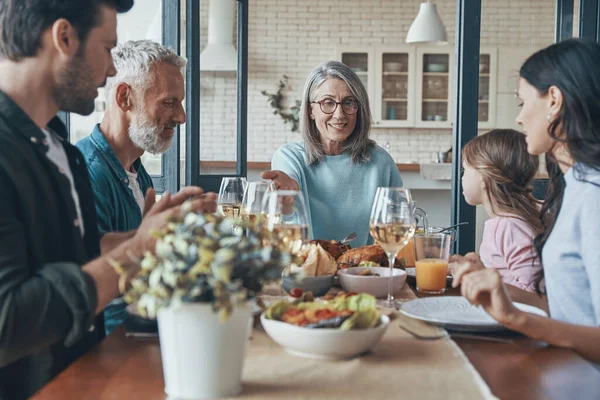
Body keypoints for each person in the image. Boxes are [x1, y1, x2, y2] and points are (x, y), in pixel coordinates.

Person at [0, 1, 215, 399]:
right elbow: (9, 319)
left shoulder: (58, 151)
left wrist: (154, 235)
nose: (113, 67)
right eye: (106, 48)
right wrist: (138, 249)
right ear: (64, 37)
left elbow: (79, 256)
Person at [453, 38, 600, 364]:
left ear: (553, 100)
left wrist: (519, 319)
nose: (519, 119)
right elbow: (571, 312)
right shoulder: (573, 186)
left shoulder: (593, 196)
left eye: (522, 102)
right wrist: (500, 292)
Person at [76, 40, 186, 334]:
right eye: (169, 102)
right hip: (117, 347)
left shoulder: (139, 172)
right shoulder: (87, 173)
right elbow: (99, 296)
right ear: (125, 98)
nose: (181, 116)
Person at [262, 61, 403, 247]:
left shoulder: (381, 162)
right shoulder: (289, 158)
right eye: (328, 103)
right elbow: (284, 229)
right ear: (310, 110)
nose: (339, 115)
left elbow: (400, 226)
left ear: (359, 109)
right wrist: (287, 204)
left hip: (365, 272)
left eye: (349, 103)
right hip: (309, 271)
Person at [451, 129, 545, 309]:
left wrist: (480, 276)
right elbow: (506, 274)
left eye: (465, 170)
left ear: (483, 177)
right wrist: (480, 267)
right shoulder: (503, 223)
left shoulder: (510, 226)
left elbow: (535, 296)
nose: (461, 177)